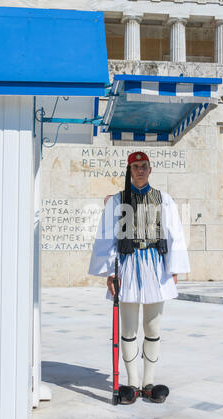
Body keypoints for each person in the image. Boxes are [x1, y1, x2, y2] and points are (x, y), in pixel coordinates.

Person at [88, 151, 190, 404]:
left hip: (155, 265)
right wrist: (111, 273)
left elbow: (174, 233)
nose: (140, 170)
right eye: (135, 167)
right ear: (129, 171)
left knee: (153, 326)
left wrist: (173, 269)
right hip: (129, 265)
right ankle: (132, 383)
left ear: (150, 169)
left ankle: (149, 382)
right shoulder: (118, 200)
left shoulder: (163, 200)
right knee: (129, 327)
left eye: (144, 166)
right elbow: (107, 235)